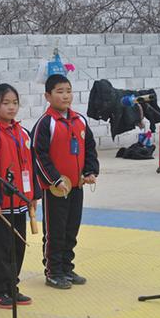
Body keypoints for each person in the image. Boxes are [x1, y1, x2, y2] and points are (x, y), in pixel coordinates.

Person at [0, 84, 41, 308]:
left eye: (15, 103)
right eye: (6, 103)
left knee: (18, 247)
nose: (11, 107)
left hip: (20, 203)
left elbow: (31, 166)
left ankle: (12, 286)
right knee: (1, 250)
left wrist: (33, 195)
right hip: (0, 207)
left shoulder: (23, 133)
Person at [32, 74, 99, 289]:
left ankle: (67, 267)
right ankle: (53, 271)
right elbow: (38, 155)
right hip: (55, 190)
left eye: (68, 91)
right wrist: (54, 179)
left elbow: (89, 148)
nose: (65, 96)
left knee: (72, 229)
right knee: (55, 231)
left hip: (76, 186)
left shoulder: (80, 120)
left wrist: (90, 171)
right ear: (48, 96)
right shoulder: (45, 123)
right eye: (60, 92)